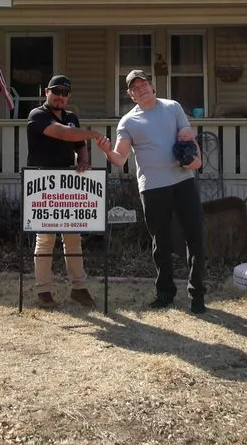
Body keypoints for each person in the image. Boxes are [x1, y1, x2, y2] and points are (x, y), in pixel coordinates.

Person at [96, 69, 206, 313]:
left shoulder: (172, 107)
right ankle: (165, 294)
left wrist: (196, 156)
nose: (141, 89)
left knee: (195, 237)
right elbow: (119, 157)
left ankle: (197, 295)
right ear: (130, 94)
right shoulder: (128, 121)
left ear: (152, 86)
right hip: (153, 187)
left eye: (143, 84)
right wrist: (105, 149)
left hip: (183, 181)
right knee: (161, 242)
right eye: (135, 88)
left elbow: (187, 136)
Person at [27, 74, 103, 309]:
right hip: (42, 182)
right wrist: (95, 134)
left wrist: (84, 160)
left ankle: (79, 289)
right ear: (46, 92)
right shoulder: (38, 115)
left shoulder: (72, 117)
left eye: (65, 93)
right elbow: (62, 133)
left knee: (73, 238)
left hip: (68, 182)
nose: (60, 96)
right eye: (56, 91)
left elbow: (79, 145)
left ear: (68, 96)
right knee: (46, 239)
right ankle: (43, 292)